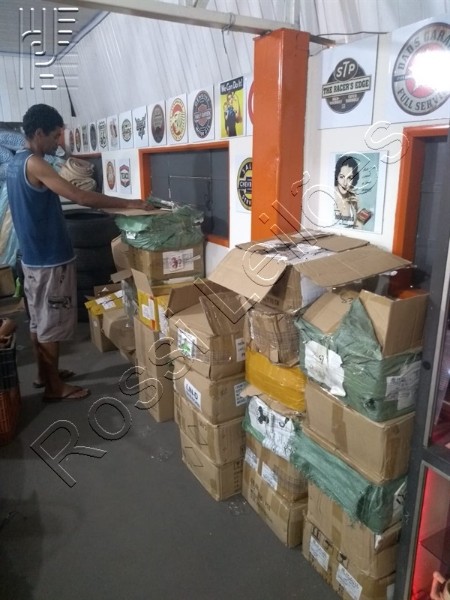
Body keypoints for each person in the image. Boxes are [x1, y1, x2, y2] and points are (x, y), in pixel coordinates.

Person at [6, 103, 151, 402]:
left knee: (38, 320)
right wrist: (129, 203)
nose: (58, 143)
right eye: (55, 136)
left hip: (32, 259)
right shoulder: (35, 163)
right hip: (50, 260)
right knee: (52, 323)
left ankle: (44, 375)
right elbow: (80, 196)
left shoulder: (14, 163)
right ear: (39, 133)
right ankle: (54, 388)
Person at [333, 155, 363, 229]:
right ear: (336, 177)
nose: (345, 183)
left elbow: (359, 230)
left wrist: (358, 209)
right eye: (341, 177)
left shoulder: (354, 199)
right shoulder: (329, 195)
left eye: (349, 178)